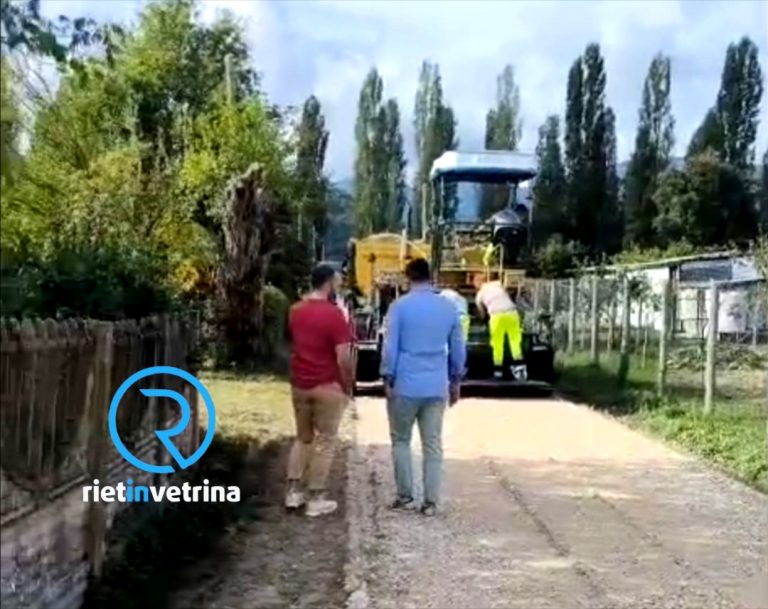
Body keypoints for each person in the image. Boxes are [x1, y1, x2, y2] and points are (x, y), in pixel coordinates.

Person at [380, 258, 466, 516]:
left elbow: (391, 345)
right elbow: (458, 349)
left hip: (405, 384)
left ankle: (405, 496)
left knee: (401, 440)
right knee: (432, 444)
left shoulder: (399, 307)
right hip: (436, 384)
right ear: (431, 277)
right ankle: (430, 501)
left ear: (408, 278)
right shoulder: (448, 308)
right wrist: (456, 381)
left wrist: (387, 376)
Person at [286, 264, 355, 517]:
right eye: (337, 281)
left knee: (302, 438)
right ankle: (316, 497)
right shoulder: (334, 314)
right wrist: (347, 385)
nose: (339, 285)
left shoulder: (295, 310)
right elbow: (343, 357)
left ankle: (293, 493)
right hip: (327, 385)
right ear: (328, 283)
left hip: (300, 384)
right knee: (326, 440)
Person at [472, 273, 526, 381]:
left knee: (497, 345)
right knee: (515, 342)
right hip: (512, 314)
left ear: (478, 283)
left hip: (496, 316)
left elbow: (482, 313)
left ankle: (498, 372)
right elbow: (508, 291)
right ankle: (521, 372)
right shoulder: (497, 284)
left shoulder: (480, 295)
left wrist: (484, 319)